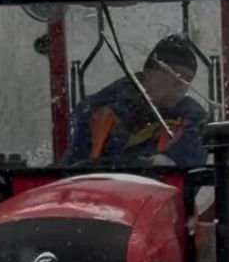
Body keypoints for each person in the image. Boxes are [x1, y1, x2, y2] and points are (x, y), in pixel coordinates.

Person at [62, 34, 207, 168]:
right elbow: (70, 171)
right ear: (149, 74)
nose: (181, 84)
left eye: (188, 79)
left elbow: (188, 171)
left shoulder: (192, 121)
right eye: (175, 73)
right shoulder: (97, 111)